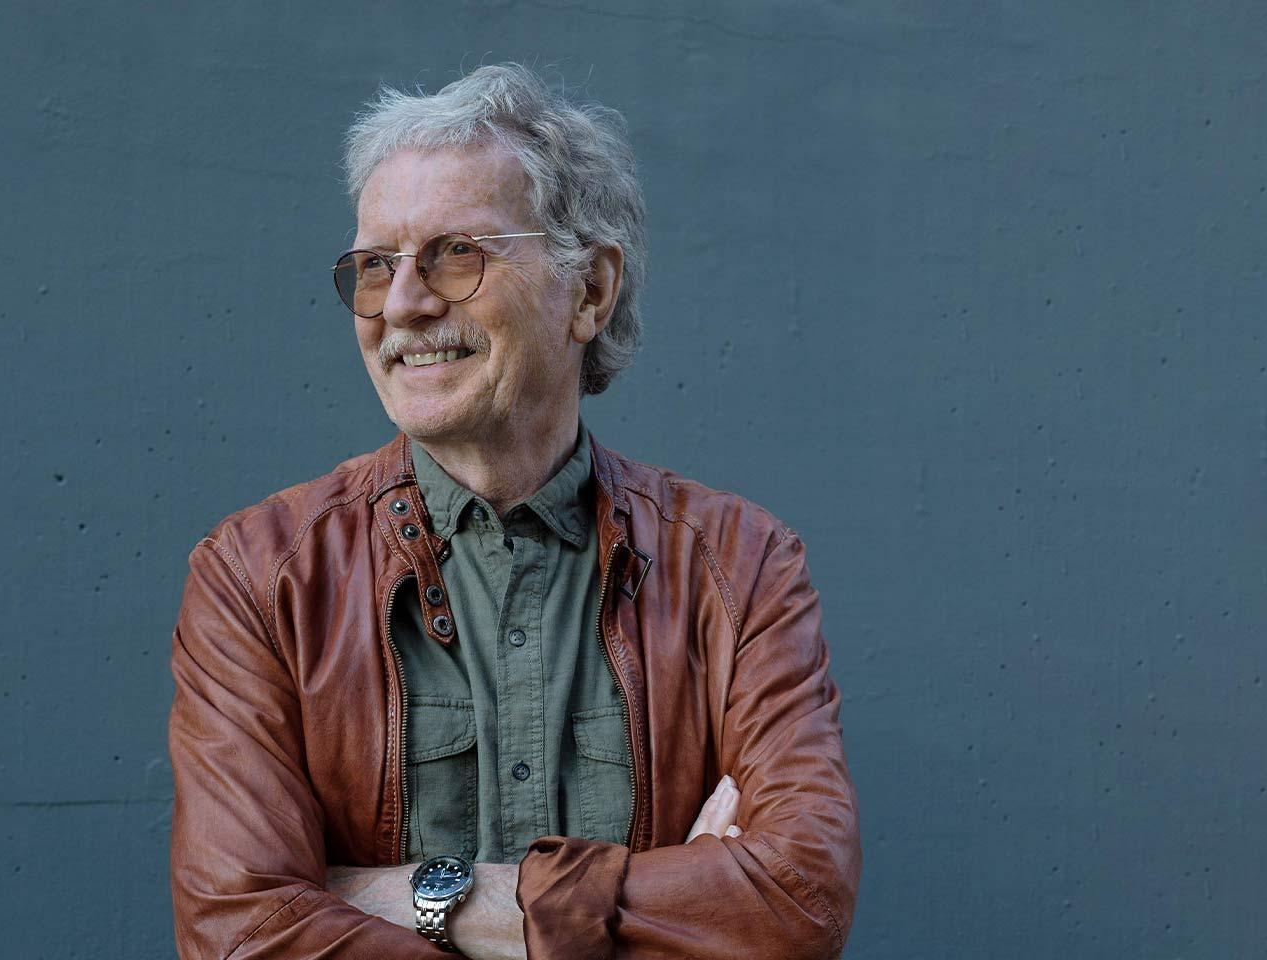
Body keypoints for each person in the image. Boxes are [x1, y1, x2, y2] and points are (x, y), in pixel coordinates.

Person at [168, 64, 859, 959]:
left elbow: (799, 903)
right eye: (375, 266)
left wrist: (397, 897)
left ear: (590, 291)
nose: (404, 304)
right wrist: (674, 904)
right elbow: (241, 933)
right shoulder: (260, 576)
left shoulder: (740, 564)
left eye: (456, 254)